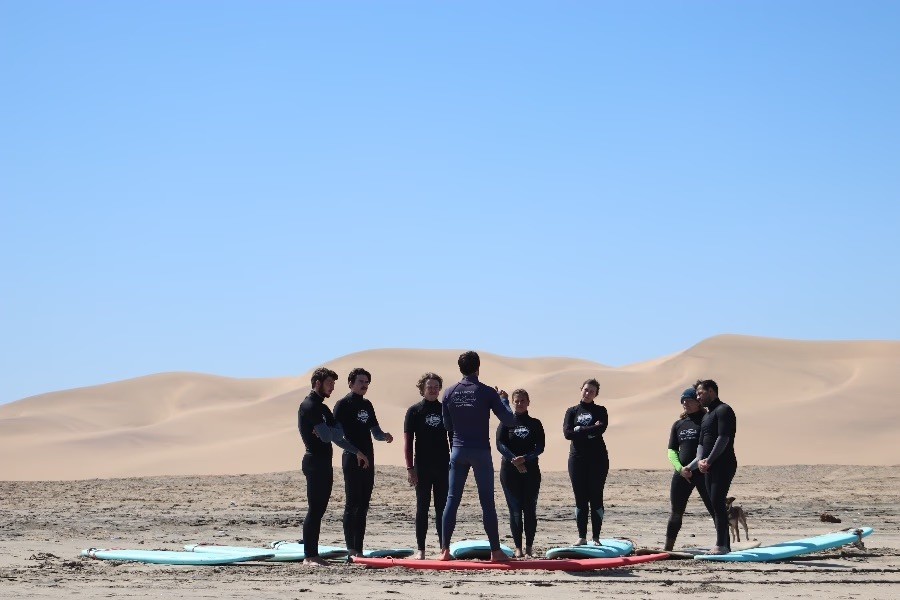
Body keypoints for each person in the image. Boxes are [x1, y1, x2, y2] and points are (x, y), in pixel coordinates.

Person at [440, 350, 517, 562]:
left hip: (458, 450)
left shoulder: (448, 392)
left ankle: (444, 550)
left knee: (452, 499)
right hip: (481, 452)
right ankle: (496, 552)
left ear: (460, 368)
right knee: (487, 502)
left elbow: (447, 425)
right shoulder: (486, 392)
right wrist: (504, 400)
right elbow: (509, 420)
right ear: (478, 367)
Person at [297, 367, 370, 567]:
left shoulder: (324, 408)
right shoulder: (309, 405)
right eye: (329, 383)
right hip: (314, 462)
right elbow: (331, 436)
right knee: (315, 509)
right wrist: (330, 431)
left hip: (324, 462)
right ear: (318, 383)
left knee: (320, 509)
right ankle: (310, 555)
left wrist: (357, 452)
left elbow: (337, 436)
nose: (332, 387)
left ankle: (313, 553)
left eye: (334, 384)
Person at [333, 368, 393, 557]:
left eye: (367, 382)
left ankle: (359, 548)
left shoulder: (367, 405)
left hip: (368, 457)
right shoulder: (342, 405)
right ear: (350, 383)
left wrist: (385, 436)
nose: (364, 385)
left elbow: (375, 432)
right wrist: (356, 452)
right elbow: (337, 437)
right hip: (352, 458)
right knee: (352, 503)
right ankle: (351, 547)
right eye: (360, 381)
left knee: (364, 504)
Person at [683, 379, 737, 555]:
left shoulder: (724, 410)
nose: (698, 397)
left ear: (712, 391)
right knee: (715, 505)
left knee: (717, 501)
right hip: (708, 466)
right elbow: (701, 446)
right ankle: (724, 544)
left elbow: (723, 438)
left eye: (701, 393)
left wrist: (709, 460)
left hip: (723, 463)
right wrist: (696, 464)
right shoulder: (706, 416)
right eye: (697, 394)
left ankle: (721, 545)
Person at [404, 372, 451, 559]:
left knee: (442, 508)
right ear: (422, 389)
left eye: (436, 387)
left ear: (440, 389)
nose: (432, 390)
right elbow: (408, 442)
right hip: (422, 466)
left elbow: (452, 438)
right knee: (422, 508)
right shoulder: (414, 411)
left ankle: (444, 548)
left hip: (443, 466)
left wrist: (455, 464)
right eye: (429, 387)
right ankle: (421, 550)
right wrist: (410, 468)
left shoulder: (445, 409)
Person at [496, 388, 545, 558]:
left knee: (529, 509)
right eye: (516, 401)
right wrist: (514, 460)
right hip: (509, 471)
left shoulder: (535, 423)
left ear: (528, 402)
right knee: (515, 509)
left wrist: (525, 458)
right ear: (513, 402)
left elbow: (540, 447)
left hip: (530, 470)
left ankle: (529, 547)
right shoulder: (505, 422)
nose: (519, 404)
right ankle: (518, 547)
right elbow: (500, 444)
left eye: (522, 400)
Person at [664, 386, 714, 551]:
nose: (685, 402)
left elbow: (707, 448)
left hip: (703, 471)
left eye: (689, 399)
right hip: (682, 474)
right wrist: (680, 468)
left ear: (698, 402)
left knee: (715, 510)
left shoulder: (708, 419)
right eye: (683, 400)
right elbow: (672, 450)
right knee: (676, 512)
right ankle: (668, 548)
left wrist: (692, 467)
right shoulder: (678, 424)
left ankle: (724, 544)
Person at [562, 378, 609, 546]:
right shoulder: (572, 411)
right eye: (586, 390)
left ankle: (596, 537)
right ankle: (581, 536)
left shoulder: (601, 410)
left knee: (596, 497)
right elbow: (567, 434)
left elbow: (601, 427)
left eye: (592, 391)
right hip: (577, 459)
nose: (588, 393)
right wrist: (589, 430)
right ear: (581, 389)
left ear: (596, 394)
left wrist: (579, 430)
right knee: (580, 498)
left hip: (598, 459)